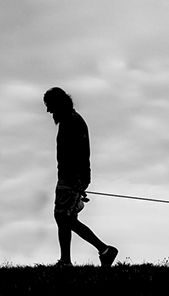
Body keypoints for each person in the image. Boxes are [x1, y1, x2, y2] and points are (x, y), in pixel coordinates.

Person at [43, 87, 118, 267]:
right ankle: (66, 260)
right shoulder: (71, 120)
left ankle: (105, 250)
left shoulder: (72, 121)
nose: (48, 110)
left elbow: (79, 154)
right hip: (71, 177)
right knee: (66, 218)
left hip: (71, 177)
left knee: (62, 216)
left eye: (50, 105)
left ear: (59, 103)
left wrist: (79, 181)